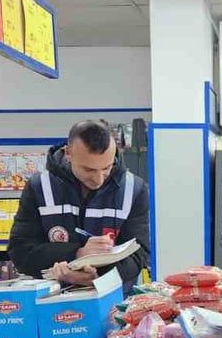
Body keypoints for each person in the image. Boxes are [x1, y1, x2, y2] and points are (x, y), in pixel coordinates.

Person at [8, 119, 150, 293]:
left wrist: (97, 278)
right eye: (89, 170)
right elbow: (20, 251)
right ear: (68, 153)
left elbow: (139, 254)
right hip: (52, 303)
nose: (99, 179)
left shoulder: (134, 189)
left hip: (113, 303)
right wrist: (78, 254)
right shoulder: (39, 187)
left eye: (106, 167)